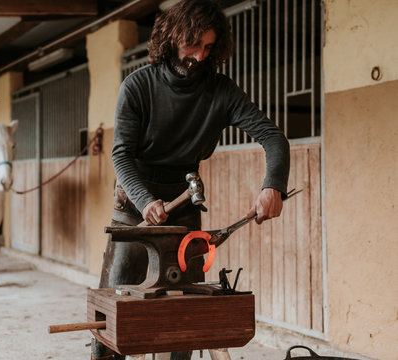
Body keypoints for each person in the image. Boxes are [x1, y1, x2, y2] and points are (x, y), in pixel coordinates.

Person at [92, 0, 289, 359]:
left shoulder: (222, 92)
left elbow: (273, 137)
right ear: (172, 38)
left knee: (183, 320)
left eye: (208, 47)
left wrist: (272, 185)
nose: (199, 56)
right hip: (134, 206)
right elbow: (120, 154)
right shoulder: (137, 86)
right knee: (112, 316)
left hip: (184, 208)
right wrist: (144, 200)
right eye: (192, 45)